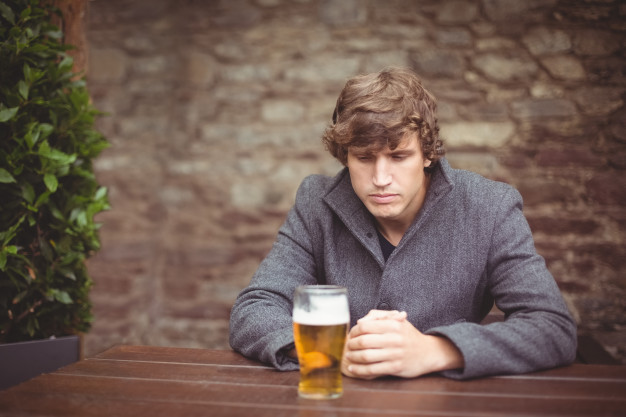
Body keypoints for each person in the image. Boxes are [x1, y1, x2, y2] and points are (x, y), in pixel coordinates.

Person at [229, 67, 577, 380]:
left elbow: (552, 327)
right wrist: (328, 352)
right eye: (364, 158)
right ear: (345, 157)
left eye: (398, 156)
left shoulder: (489, 206)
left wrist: (435, 351)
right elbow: (254, 308)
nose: (380, 178)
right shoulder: (316, 202)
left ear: (427, 153)